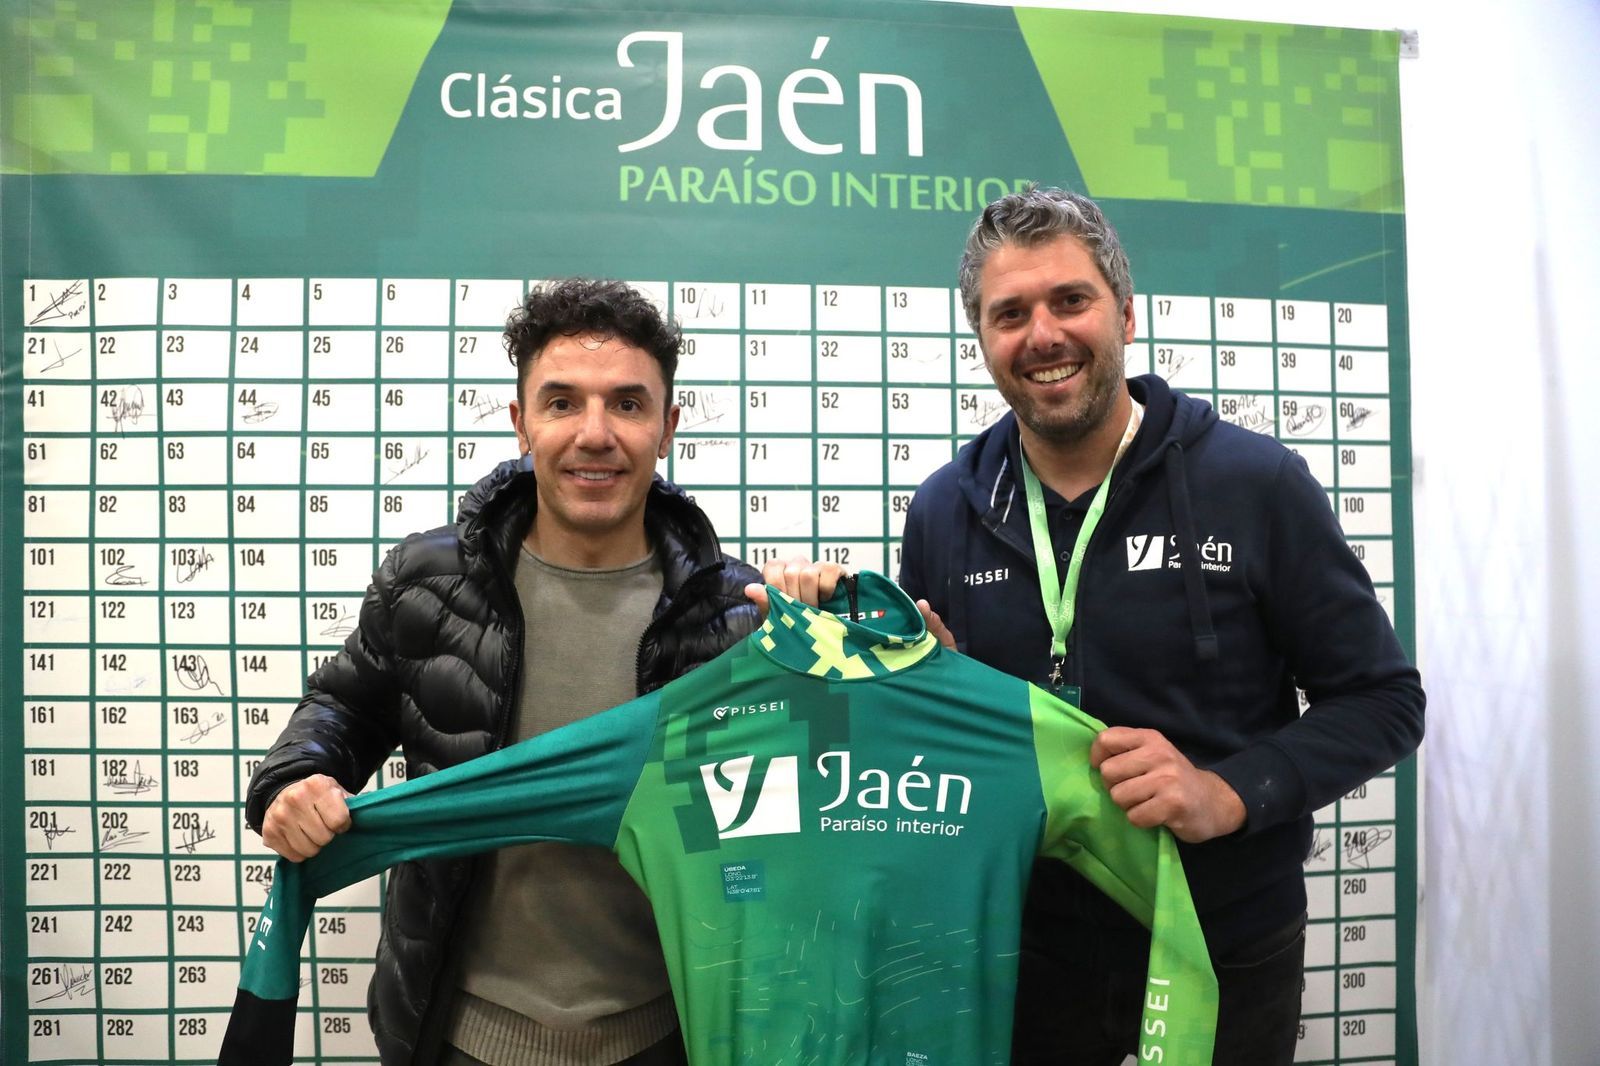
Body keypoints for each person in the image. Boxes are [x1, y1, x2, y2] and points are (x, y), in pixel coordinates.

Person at [896, 186, 1426, 1065]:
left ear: (1126, 314)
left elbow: (1383, 700)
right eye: (1010, 313)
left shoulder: (1256, 484)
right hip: (1022, 954)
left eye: (1071, 301)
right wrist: (921, 689)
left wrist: (1229, 792)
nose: (1044, 336)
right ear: (983, 340)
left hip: (1225, 943)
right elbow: (937, 749)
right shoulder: (944, 509)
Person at [245, 278, 763, 1066]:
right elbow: (342, 710)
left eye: (627, 404)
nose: (596, 433)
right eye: (562, 403)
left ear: (668, 429)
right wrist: (295, 778)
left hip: (672, 1036)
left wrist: (906, 659)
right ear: (521, 424)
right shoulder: (430, 581)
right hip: (456, 1036)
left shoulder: (735, 616)